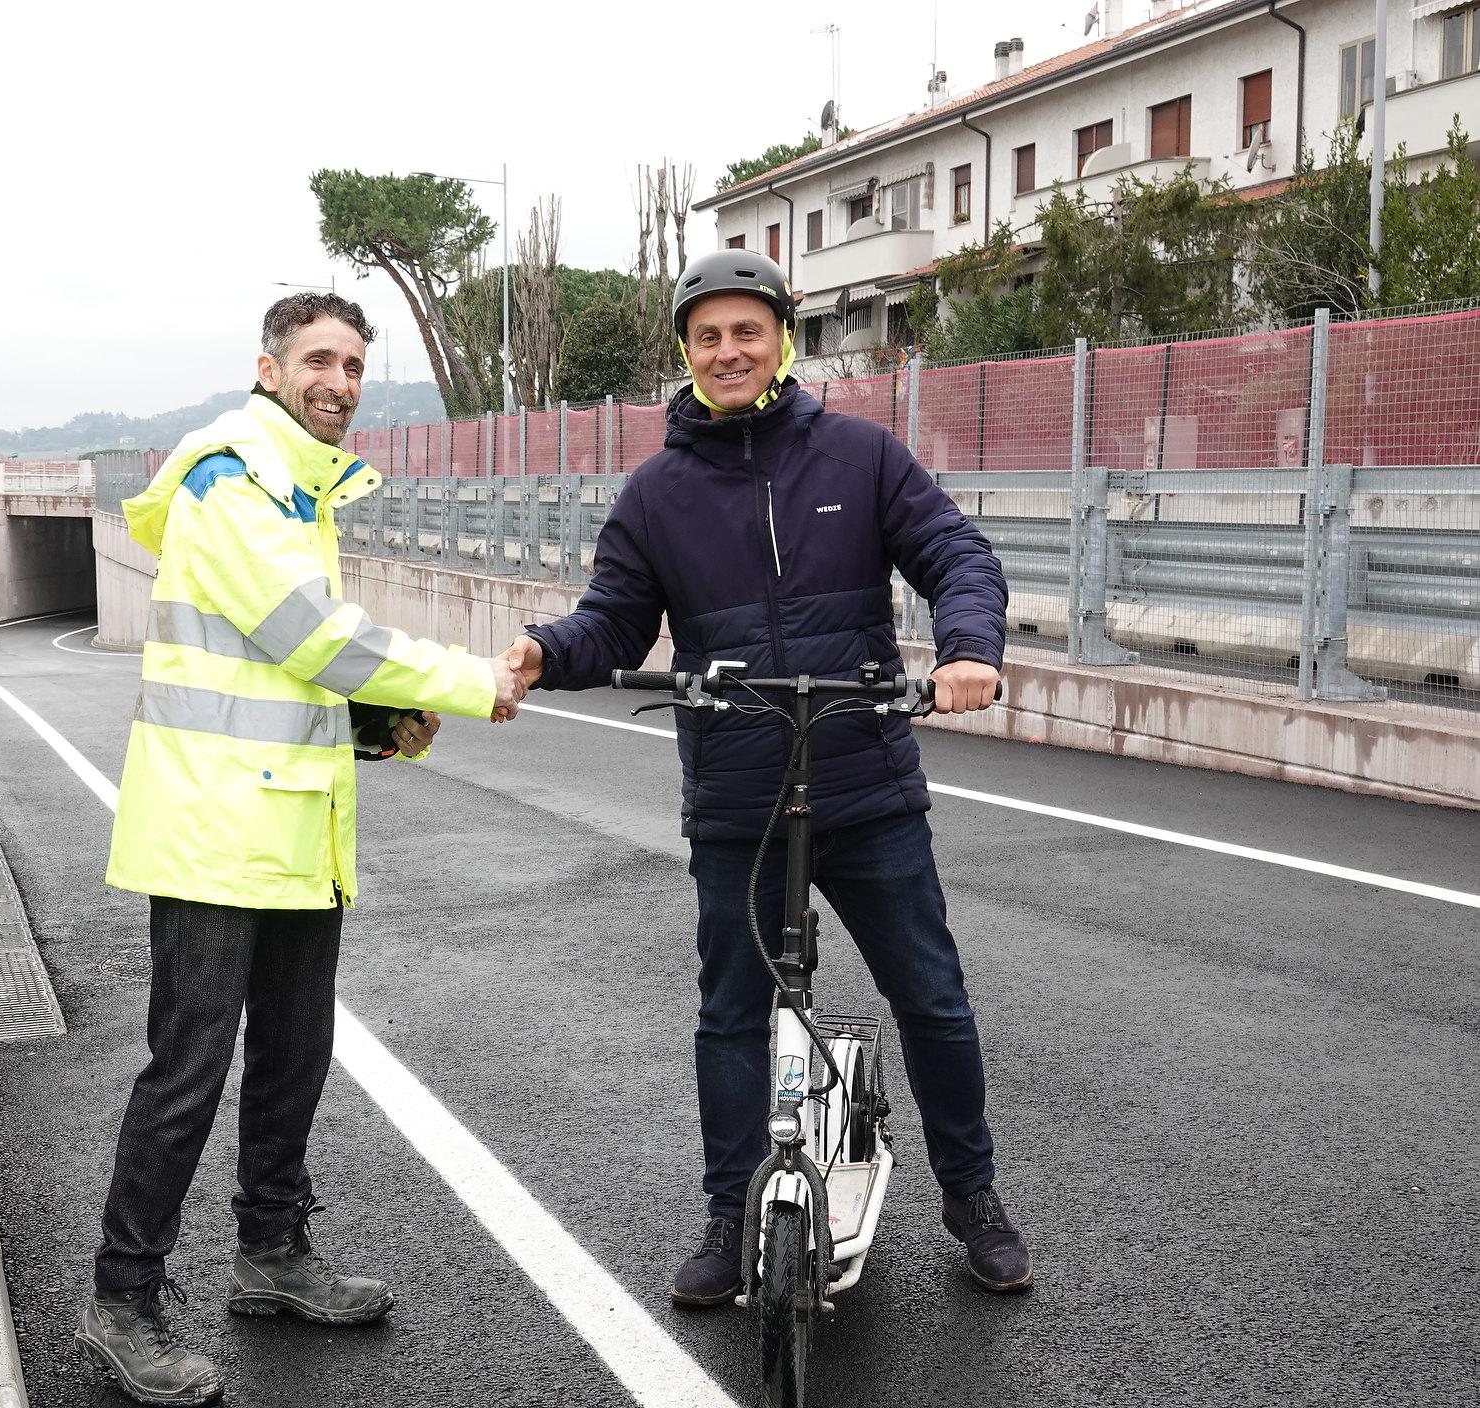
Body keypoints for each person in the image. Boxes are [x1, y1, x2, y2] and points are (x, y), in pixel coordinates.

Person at [500, 248, 1033, 1300]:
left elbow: (954, 555)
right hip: (738, 794)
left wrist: (969, 647)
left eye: (746, 330)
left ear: (780, 338)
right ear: (688, 355)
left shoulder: (860, 457)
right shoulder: (655, 491)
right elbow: (612, 620)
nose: (728, 350)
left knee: (930, 996)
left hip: (863, 779)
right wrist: (539, 651)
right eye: (707, 336)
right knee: (728, 1013)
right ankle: (727, 1208)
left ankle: (971, 1196)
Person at [80, 292, 526, 1405]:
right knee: (186, 1073)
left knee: (292, 1057)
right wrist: (467, 683)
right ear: (269, 367)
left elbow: (277, 667)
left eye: (352, 364)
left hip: (287, 824)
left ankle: (270, 1254)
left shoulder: (294, 485)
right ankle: (119, 1300)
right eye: (317, 359)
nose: (337, 380)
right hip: (209, 831)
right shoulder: (230, 474)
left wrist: (373, 723)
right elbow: (311, 637)